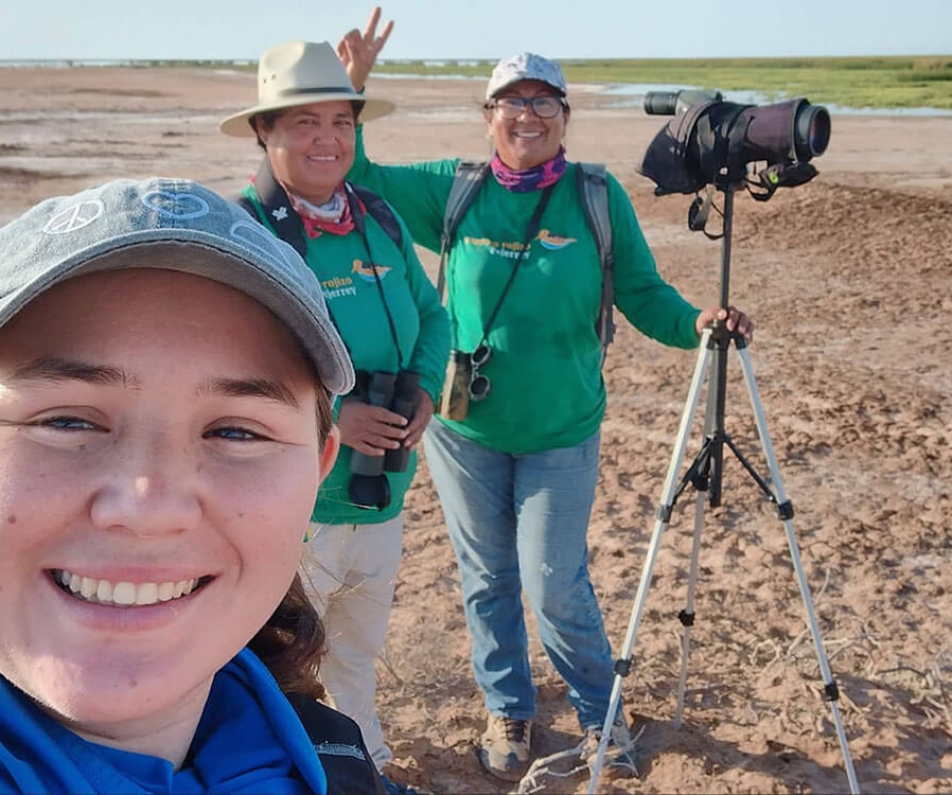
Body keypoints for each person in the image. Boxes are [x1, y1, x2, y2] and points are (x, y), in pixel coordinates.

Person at [337, 8, 754, 783]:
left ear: (565, 116)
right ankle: (510, 709)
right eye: (511, 101)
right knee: (485, 577)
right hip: (465, 433)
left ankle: (601, 717)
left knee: (553, 581)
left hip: (563, 429)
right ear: (488, 115)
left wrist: (697, 321)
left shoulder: (595, 198)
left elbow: (643, 292)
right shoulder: (450, 192)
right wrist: (352, 88)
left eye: (542, 102)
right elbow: (356, 176)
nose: (526, 114)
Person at [0, 176, 391, 793]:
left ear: (316, 473)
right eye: (66, 421)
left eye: (235, 433)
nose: (148, 507)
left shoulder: (331, 756)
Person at [220, 40, 450, 795]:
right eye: (304, 122)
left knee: (358, 646)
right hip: (293, 502)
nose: (327, 140)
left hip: (380, 490)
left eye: (341, 123)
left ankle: (365, 763)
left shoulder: (377, 214)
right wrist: (330, 420)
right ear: (265, 133)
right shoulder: (244, 229)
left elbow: (431, 314)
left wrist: (422, 387)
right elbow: (230, 365)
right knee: (276, 657)